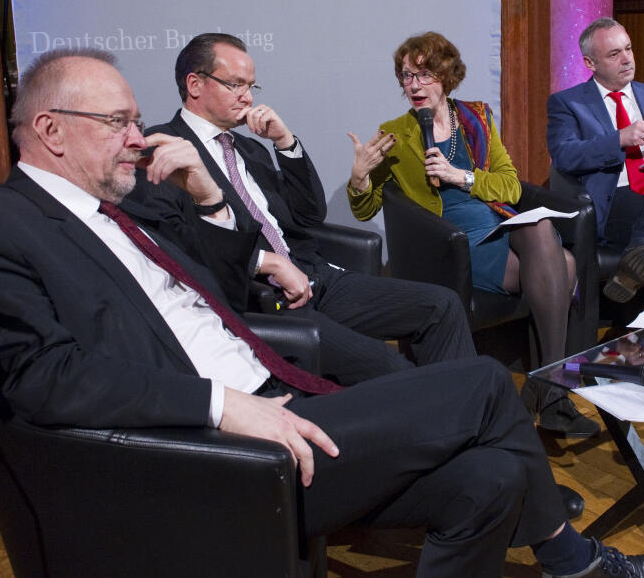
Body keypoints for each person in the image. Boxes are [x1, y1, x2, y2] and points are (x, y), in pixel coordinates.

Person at [0, 49, 644, 578]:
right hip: (211, 459)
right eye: (119, 122)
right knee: (488, 385)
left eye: (134, 121)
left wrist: (201, 192)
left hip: (274, 397)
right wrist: (220, 405)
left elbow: (220, 276)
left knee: (490, 479)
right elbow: (41, 379)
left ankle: (560, 565)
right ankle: (575, 566)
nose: (137, 135)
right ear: (51, 131)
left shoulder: (121, 210)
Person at [146, 33, 479, 387]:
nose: (247, 96)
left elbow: (309, 215)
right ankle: (446, 420)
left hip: (316, 276)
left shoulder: (249, 149)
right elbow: (176, 243)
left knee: (441, 305)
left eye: (251, 86)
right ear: (195, 84)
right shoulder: (169, 149)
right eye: (235, 85)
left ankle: (469, 418)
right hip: (265, 296)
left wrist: (284, 142)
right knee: (391, 367)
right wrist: (266, 262)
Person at [346, 31, 599, 439]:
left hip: (498, 224)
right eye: (406, 76)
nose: (413, 85)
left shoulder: (476, 118)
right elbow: (366, 209)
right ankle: (552, 392)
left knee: (538, 226)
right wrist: (359, 178)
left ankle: (545, 389)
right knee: (564, 262)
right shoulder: (396, 132)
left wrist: (459, 176)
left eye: (423, 74)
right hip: (452, 245)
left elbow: (511, 187)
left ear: (446, 76)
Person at [547, 17, 644, 307]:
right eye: (614, 54)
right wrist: (619, 138)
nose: (627, 60)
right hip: (616, 199)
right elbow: (565, 155)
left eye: (629, 49)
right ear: (590, 63)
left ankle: (641, 250)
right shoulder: (567, 103)